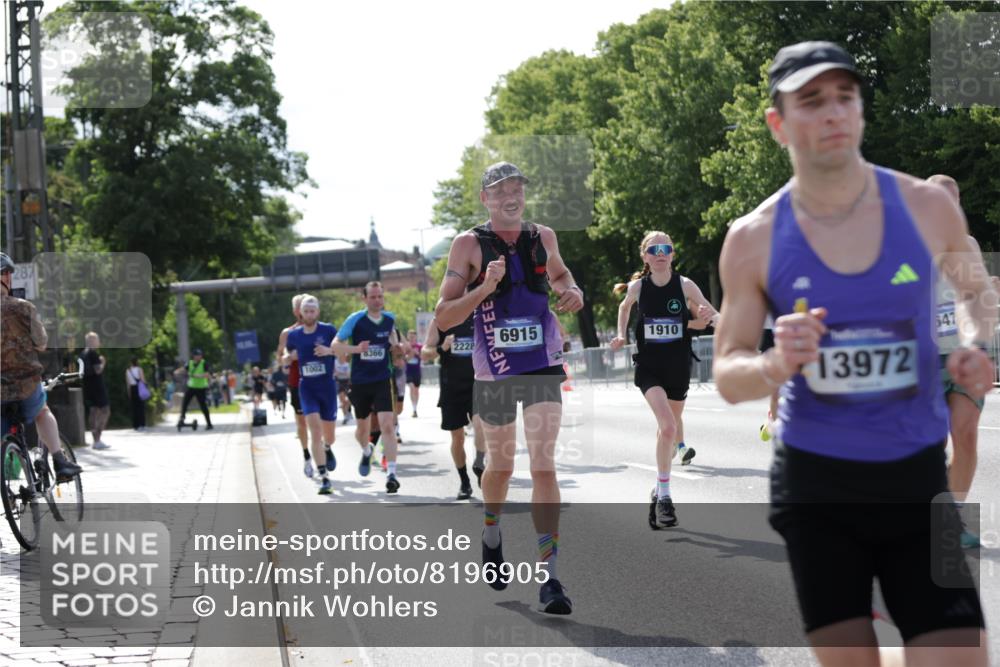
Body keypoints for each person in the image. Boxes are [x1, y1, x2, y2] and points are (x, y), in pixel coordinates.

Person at [712, 42, 994, 665]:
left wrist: (977, 346)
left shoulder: (927, 207)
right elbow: (728, 373)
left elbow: (979, 297)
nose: (834, 112)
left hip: (920, 482)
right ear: (778, 123)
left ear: (861, 110)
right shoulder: (754, 237)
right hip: (818, 491)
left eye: (845, 97)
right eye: (813, 101)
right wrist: (774, 364)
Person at [435, 161, 583, 614]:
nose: (510, 197)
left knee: (543, 466)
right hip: (495, 369)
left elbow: (560, 275)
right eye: (499, 191)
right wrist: (485, 287)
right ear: (485, 199)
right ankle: (491, 530)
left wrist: (572, 290)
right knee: (501, 466)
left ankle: (549, 577)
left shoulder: (544, 236)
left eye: (516, 188)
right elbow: (444, 315)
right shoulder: (468, 244)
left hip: (542, 361)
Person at [609, 232, 716, 528]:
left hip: (678, 367)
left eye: (665, 248)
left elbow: (710, 313)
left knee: (666, 434)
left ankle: (658, 488)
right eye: (653, 249)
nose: (660, 253)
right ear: (645, 256)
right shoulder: (638, 287)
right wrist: (620, 334)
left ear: (672, 255)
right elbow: (624, 307)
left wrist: (719, 321)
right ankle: (666, 498)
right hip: (649, 368)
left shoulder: (685, 285)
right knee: (668, 426)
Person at [927, 174, 993, 549]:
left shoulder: (968, 245)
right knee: (931, 446)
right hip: (924, 358)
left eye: (953, 203)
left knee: (965, 436)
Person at [0, 253, 82, 480]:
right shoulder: (23, 307)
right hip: (26, 384)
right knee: (42, 412)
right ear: (5, 276)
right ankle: (60, 461)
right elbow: (41, 342)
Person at [334, 281, 402, 494]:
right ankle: (366, 450)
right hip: (360, 381)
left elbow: (393, 342)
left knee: (387, 426)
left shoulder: (389, 319)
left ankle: (392, 474)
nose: (377, 300)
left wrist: (397, 347)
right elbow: (335, 345)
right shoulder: (355, 319)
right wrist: (356, 349)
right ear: (364, 298)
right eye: (372, 297)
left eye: (380, 296)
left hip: (382, 378)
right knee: (362, 430)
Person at [422, 315, 486, 500]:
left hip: (478, 383)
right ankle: (464, 481)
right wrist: (442, 347)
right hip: (451, 386)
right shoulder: (442, 319)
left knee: (481, 426)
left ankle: (479, 463)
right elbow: (425, 352)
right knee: (457, 437)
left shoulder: (479, 314)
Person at [285, 294, 340, 495]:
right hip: (307, 387)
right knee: (315, 431)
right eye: (306, 311)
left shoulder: (329, 330)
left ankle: (327, 447)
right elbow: (285, 356)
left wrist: (329, 351)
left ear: (317, 312)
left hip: (327, 387)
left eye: (312, 311)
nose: (309, 314)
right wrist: (288, 357)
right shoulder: (294, 336)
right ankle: (324, 477)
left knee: (329, 436)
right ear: (301, 313)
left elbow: (343, 353)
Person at [276, 294, 313, 477]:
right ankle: (307, 455)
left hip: (318, 380)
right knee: (302, 421)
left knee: (319, 420)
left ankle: (323, 447)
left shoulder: (320, 330)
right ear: (295, 311)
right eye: (300, 307)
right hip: (297, 381)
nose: (303, 311)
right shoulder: (287, 333)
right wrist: (287, 358)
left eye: (306, 306)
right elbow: (280, 356)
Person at [78, 331, 111, 450]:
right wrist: (102, 362)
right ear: (92, 341)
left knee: (93, 412)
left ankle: (95, 440)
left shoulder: (82, 354)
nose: (98, 342)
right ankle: (97, 438)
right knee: (105, 410)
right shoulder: (93, 353)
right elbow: (98, 370)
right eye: (97, 340)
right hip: (97, 387)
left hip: (88, 386)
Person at [178, 348, 214, 430]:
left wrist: (198, 376)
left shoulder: (204, 363)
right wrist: (177, 372)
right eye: (197, 355)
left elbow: (207, 375)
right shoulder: (190, 363)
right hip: (191, 386)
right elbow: (184, 369)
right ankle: (182, 417)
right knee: (185, 402)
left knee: (203, 406)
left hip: (201, 388)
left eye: (200, 355)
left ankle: (209, 424)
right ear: (193, 356)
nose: (199, 357)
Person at [125, 358, 148, 431]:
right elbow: (142, 379)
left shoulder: (128, 371)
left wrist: (129, 392)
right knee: (141, 407)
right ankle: (142, 424)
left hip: (132, 389)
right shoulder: (139, 369)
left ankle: (135, 425)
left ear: (131, 363)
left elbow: (128, 383)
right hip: (139, 388)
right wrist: (145, 387)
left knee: (134, 408)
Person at [405, 330, 422, 417]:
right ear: (407, 337)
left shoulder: (419, 346)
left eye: (413, 336)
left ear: (416, 337)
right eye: (410, 336)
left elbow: (424, 358)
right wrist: (411, 354)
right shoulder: (405, 346)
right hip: (408, 371)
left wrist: (417, 353)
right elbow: (403, 359)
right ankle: (413, 408)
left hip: (417, 371)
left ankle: (415, 408)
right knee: (411, 388)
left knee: (416, 390)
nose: (411, 338)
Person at [334, 354, 353, 425]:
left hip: (347, 382)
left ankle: (348, 412)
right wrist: (343, 373)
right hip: (339, 382)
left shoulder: (347, 363)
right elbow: (335, 373)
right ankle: (346, 416)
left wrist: (340, 373)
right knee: (342, 400)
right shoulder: (335, 362)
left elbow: (349, 374)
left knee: (350, 399)